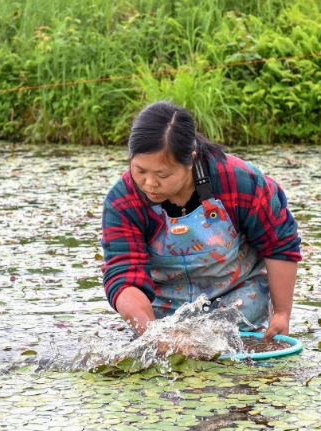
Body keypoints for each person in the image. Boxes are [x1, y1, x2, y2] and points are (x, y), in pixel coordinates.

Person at [101, 101, 301, 340]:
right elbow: (124, 274)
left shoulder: (240, 181)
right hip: (165, 313)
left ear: (190, 160)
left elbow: (279, 243)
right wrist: (155, 336)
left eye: (162, 174)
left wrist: (281, 313)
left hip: (239, 301)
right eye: (140, 170)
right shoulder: (123, 200)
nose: (149, 184)